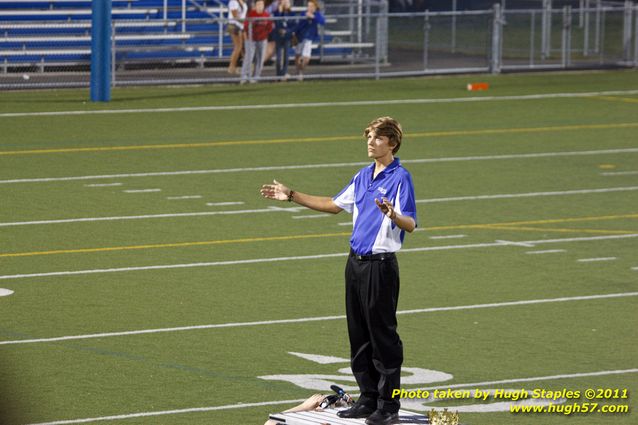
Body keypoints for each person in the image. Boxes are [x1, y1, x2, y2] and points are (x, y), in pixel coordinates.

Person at [260, 117, 417, 425]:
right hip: (355, 264)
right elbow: (333, 205)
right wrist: (292, 195)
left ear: (392, 143)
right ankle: (368, 397)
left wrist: (393, 214)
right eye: (369, 137)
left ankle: (388, 405)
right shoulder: (362, 176)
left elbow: (410, 224)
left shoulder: (401, 177)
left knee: (383, 337)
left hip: (380, 267)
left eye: (377, 138)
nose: (370, 142)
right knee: (358, 334)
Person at [241, 0, 274, 84]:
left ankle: (256, 77)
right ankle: (244, 76)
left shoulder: (266, 15)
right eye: (258, 4)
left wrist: (265, 35)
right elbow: (245, 27)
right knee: (249, 57)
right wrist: (246, 38)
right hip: (251, 39)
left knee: (260, 58)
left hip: (262, 39)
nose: (260, 6)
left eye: (261, 4)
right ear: (255, 5)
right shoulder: (251, 14)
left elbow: (270, 27)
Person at [292, 0, 325, 80]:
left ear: (315, 7)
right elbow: (299, 25)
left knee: (306, 58)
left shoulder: (317, 14)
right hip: (300, 37)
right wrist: (294, 34)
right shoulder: (304, 13)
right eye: (308, 6)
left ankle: (300, 71)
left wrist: (313, 17)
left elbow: (322, 21)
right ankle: (298, 72)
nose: (309, 8)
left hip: (308, 38)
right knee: (298, 55)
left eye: (311, 6)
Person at [272, 0, 295, 79]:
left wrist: (287, 31)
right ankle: (278, 74)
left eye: (287, 2)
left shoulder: (292, 14)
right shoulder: (276, 12)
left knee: (286, 56)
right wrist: (279, 11)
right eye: (284, 2)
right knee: (278, 57)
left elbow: (293, 26)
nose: (285, 4)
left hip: (287, 37)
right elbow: (276, 23)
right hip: (278, 37)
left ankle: (284, 73)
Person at [226, 0, 248, 74]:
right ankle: (231, 67)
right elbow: (235, 15)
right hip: (234, 25)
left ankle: (245, 66)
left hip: (240, 26)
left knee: (243, 47)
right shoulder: (233, 2)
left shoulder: (243, 2)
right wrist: (245, 22)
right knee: (238, 47)